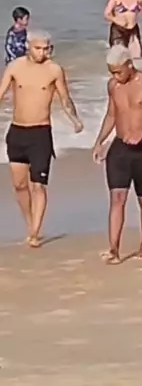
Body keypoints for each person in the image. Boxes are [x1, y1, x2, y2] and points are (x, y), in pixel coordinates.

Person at [0, 30, 83, 247]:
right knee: (20, 185)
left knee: (38, 185)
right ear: (28, 46)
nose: (42, 53)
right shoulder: (15, 67)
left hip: (40, 134)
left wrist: (75, 120)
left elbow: (65, 99)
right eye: (38, 48)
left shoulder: (54, 70)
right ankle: (30, 225)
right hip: (17, 132)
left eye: (46, 48)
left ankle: (35, 233)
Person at [92, 45, 142, 264]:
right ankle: (114, 250)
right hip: (120, 149)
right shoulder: (113, 85)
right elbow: (111, 115)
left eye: (118, 71)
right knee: (117, 198)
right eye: (112, 72)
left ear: (129, 64)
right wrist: (99, 141)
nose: (115, 77)